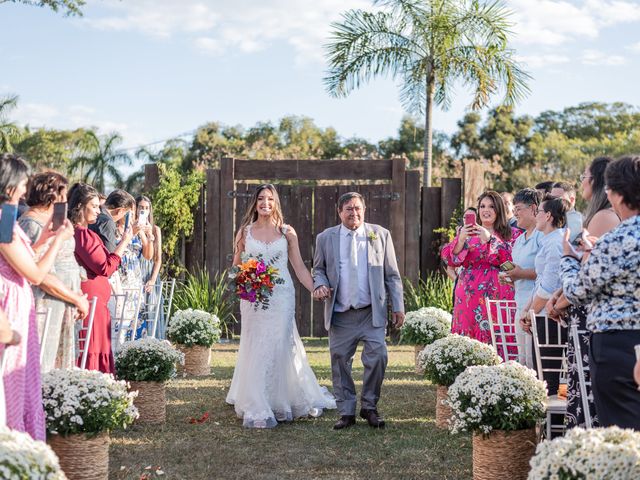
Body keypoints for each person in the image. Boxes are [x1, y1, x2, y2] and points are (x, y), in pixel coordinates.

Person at [226, 184, 336, 429]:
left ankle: (281, 400)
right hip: (253, 299)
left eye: (270, 199)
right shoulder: (244, 232)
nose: (265, 203)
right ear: (255, 203)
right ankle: (257, 403)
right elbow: (236, 267)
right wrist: (244, 280)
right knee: (256, 345)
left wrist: (315, 288)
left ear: (275, 203)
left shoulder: (287, 232)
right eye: (261, 199)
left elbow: (298, 267)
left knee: (278, 344)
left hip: (282, 296)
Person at [560, 155, 640, 430]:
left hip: (617, 347)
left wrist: (569, 258)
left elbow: (577, 291)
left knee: (622, 431)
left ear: (617, 194)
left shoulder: (615, 240)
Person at [313, 191, 404, 430]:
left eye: (358, 208)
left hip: (371, 312)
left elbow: (392, 275)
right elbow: (318, 268)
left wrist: (398, 307)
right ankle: (346, 412)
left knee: (378, 357)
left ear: (364, 210)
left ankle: (369, 406)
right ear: (339, 212)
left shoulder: (380, 235)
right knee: (340, 362)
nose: (354, 213)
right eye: (349, 209)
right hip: (341, 313)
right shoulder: (325, 238)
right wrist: (320, 283)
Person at [0, 153, 74, 440]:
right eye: (20, 183)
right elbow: (33, 274)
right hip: (9, 308)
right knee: (12, 381)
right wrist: (57, 241)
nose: (23, 189)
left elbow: (20, 255)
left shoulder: (8, 217)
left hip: (18, 306)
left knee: (23, 380)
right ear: (8, 185)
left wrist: (44, 238)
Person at [546, 156, 620, 429]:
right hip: (585, 306)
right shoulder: (603, 215)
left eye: (585, 176)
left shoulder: (602, 218)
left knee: (589, 392)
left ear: (597, 182)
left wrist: (559, 302)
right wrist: (558, 294)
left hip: (590, 316)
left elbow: (588, 278)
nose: (581, 181)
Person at [18, 172, 89, 371]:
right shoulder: (31, 224)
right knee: (44, 366)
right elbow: (40, 275)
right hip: (46, 306)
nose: (65, 201)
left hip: (61, 305)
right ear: (53, 195)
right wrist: (76, 298)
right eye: (63, 196)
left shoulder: (50, 222)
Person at [69, 183, 133, 374]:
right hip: (90, 307)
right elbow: (105, 267)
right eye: (95, 206)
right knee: (91, 355)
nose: (99, 211)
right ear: (80, 206)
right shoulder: (82, 235)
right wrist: (124, 242)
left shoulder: (84, 233)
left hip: (96, 305)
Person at [441, 190, 519, 344]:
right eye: (482, 206)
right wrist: (461, 239)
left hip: (499, 293)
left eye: (491, 206)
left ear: (499, 210)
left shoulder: (512, 234)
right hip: (468, 295)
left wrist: (490, 239)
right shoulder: (468, 233)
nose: (486, 210)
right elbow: (448, 258)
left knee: (499, 335)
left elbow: (509, 261)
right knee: (467, 339)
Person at [499, 188, 542, 366]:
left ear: (533, 209)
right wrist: (510, 278)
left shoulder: (542, 236)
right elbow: (518, 273)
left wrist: (520, 273)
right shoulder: (518, 240)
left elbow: (547, 272)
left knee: (535, 361)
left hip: (538, 308)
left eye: (518, 208)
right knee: (523, 361)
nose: (515, 213)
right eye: (514, 209)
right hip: (520, 305)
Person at [136, 195, 164, 337]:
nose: (143, 210)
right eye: (141, 207)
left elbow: (158, 259)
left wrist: (152, 280)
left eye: (146, 208)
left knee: (152, 311)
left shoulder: (155, 229)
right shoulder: (132, 228)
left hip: (150, 274)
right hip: (136, 273)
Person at [89, 189, 135, 253]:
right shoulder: (107, 223)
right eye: (126, 213)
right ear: (120, 211)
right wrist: (125, 241)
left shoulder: (93, 214)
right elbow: (110, 258)